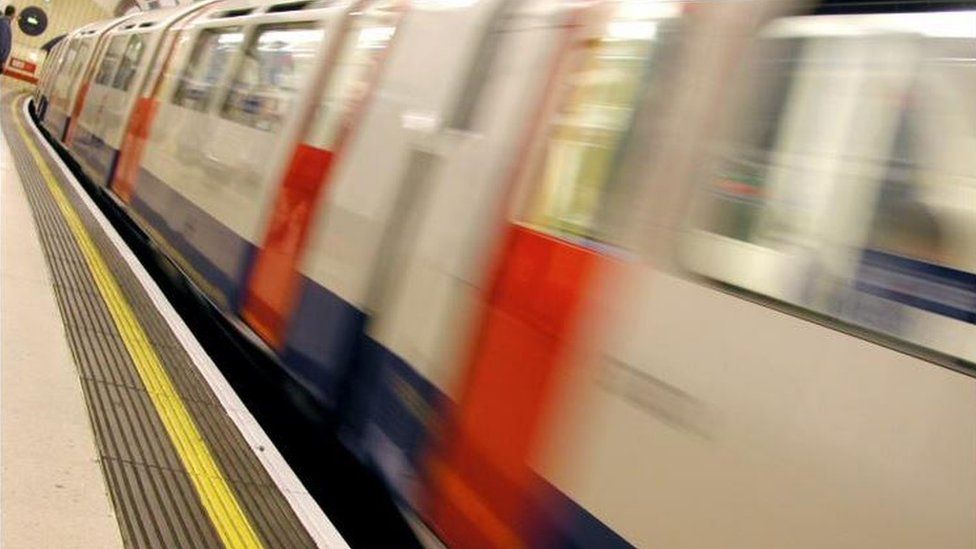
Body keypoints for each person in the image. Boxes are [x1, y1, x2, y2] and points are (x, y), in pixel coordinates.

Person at [0, 5, 14, 71]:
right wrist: (2, 60)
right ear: (12, 14)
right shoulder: (4, 23)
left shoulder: (5, 23)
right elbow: (2, 42)